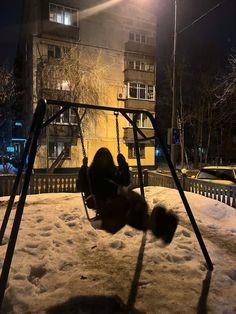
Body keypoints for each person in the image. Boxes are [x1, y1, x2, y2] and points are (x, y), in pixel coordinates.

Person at [78, 147, 178, 244]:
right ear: (97, 160)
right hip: (106, 204)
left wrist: (123, 164)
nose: (104, 162)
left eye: (106, 159)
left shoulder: (110, 172)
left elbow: (125, 181)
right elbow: (83, 186)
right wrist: (83, 168)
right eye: (102, 159)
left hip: (118, 201)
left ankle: (160, 224)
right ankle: (158, 225)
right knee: (131, 209)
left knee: (137, 207)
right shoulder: (91, 173)